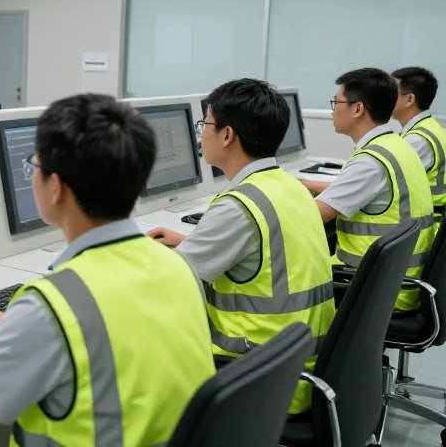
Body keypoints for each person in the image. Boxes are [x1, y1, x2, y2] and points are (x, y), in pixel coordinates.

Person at [0, 94, 214, 444]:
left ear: (56, 187)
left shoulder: (51, 306)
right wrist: (10, 325)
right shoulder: (175, 264)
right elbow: (116, 334)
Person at [147, 79, 334, 414]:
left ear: (227, 135)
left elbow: (169, 283)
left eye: (205, 124)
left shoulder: (238, 206)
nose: (200, 134)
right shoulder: (290, 188)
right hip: (297, 363)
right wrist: (196, 242)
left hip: (258, 375)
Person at [301, 68, 435, 311]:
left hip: (376, 290)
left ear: (358, 109)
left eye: (336, 102)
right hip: (394, 279)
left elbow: (309, 218)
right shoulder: (396, 145)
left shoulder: (371, 161)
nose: (333, 109)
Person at [392, 66, 446, 233]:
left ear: (409, 99)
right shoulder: (431, 128)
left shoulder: (418, 140)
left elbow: (381, 184)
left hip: (425, 231)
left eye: (391, 92)